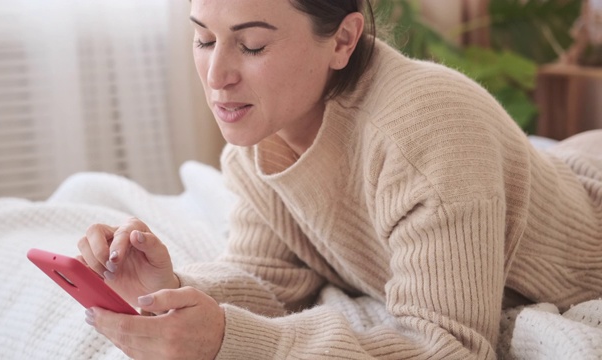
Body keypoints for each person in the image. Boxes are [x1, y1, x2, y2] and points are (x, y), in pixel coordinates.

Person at [77, 0, 602, 358]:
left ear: (343, 39)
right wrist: (169, 290)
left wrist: (234, 342)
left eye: (252, 45)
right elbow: (273, 281)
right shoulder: (259, 141)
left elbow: (450, 348)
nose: (217, 77)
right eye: (203, 39)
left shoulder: (429, 131)